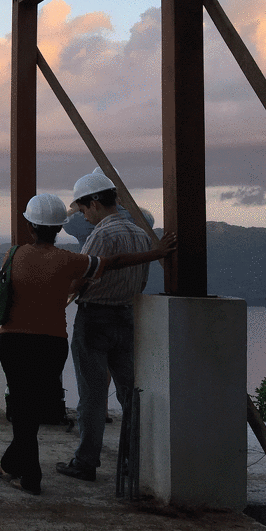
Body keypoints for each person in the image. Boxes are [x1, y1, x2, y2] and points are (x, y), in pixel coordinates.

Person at [0, 193, 174, 494]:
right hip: (51, 344)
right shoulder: (70, 261)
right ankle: (13, 465)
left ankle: (29, 473)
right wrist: (157, 253)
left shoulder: (14, 256)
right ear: (60, 229)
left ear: (30, 227)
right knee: (32, 408)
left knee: (23, 407)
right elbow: (115, 262)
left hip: (14, 341)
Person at [57, 170, 159, 482]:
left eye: (85, 208)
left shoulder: (100, 236)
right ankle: (132, 463)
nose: (84, 216)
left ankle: (86, 463)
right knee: (130, 393)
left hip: (95, 319)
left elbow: (80, 277)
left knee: (92, 394)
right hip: (126, 318)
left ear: (97, 203)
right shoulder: (141, 235)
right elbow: (141, 281)